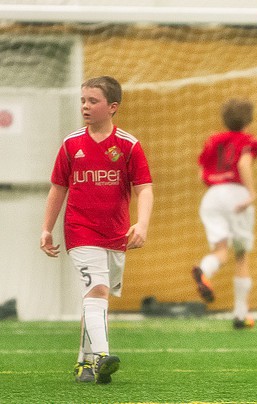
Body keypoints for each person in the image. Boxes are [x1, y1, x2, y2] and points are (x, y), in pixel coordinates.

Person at [40, 76, 154, 384]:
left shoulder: (128, 145)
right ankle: (103, 356)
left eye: (93, 101)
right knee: (97, 291)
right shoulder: (71, 144)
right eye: (83, 101)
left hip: (116, 235)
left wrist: (141, 224)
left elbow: (144, 189)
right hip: (80, 231)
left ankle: (85, 363)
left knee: (96, 298)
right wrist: (47, 229)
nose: (85, 106)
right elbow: (57, 189)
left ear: (112, 107)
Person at [192, 98, 257, 329]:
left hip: (212, 196)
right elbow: (243, 164)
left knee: (220, 250)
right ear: (249, 119)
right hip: (236, 196)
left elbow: (202, 170)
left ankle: (204, 269)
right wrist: (251, 194)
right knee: (241, 255)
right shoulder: (248, 141)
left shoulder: (213, 140)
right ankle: (241, 315)